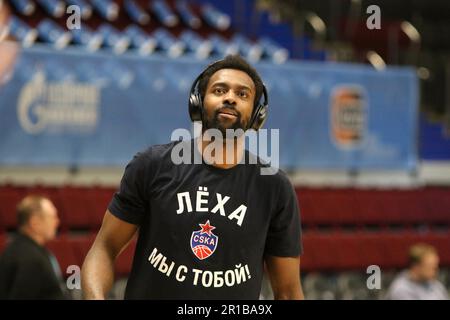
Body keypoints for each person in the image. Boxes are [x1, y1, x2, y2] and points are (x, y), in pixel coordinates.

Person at [81, 54, 304, 300]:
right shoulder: (153, 166)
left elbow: (288, 291)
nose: (230, 97)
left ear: (257, 115)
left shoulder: (274, 187)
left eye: (243, 94)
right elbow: (104, 248)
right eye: (219, 90)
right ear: (197, 103)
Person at [0, 195, 69, 299]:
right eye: (52, 217)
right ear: (35, 222)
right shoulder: (29, 258)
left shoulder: (25, 249)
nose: (57, 221)